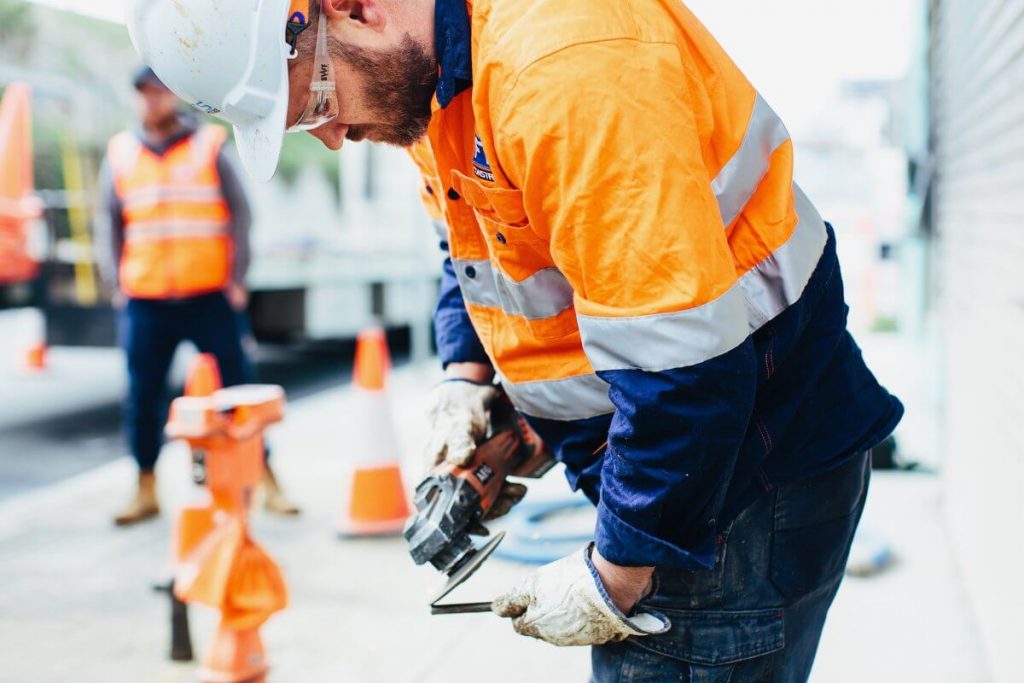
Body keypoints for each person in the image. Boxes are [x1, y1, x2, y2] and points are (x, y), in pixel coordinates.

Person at [128, 1, 904, 679]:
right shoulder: (441, 75)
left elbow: (686, 370)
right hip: (695, 458)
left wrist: (617, 572)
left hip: (739, 484)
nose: (332, 137)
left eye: (317, 102)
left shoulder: (563, 70)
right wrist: (468, 378)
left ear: (351, 7)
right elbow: (471, 244)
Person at [95, 66, 299, 526]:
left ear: (172, 94)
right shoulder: (121, 153)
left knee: (240, 391)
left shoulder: (209, 146)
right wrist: (117, 285)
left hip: (210, 298)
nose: (151, 100)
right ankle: (145, 489)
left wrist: (237, 279)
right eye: (143, 93)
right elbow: (108, 223)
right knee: (142, 397)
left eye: (158, 91)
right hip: (145, 300)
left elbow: (239, 215)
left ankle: (268, 480)